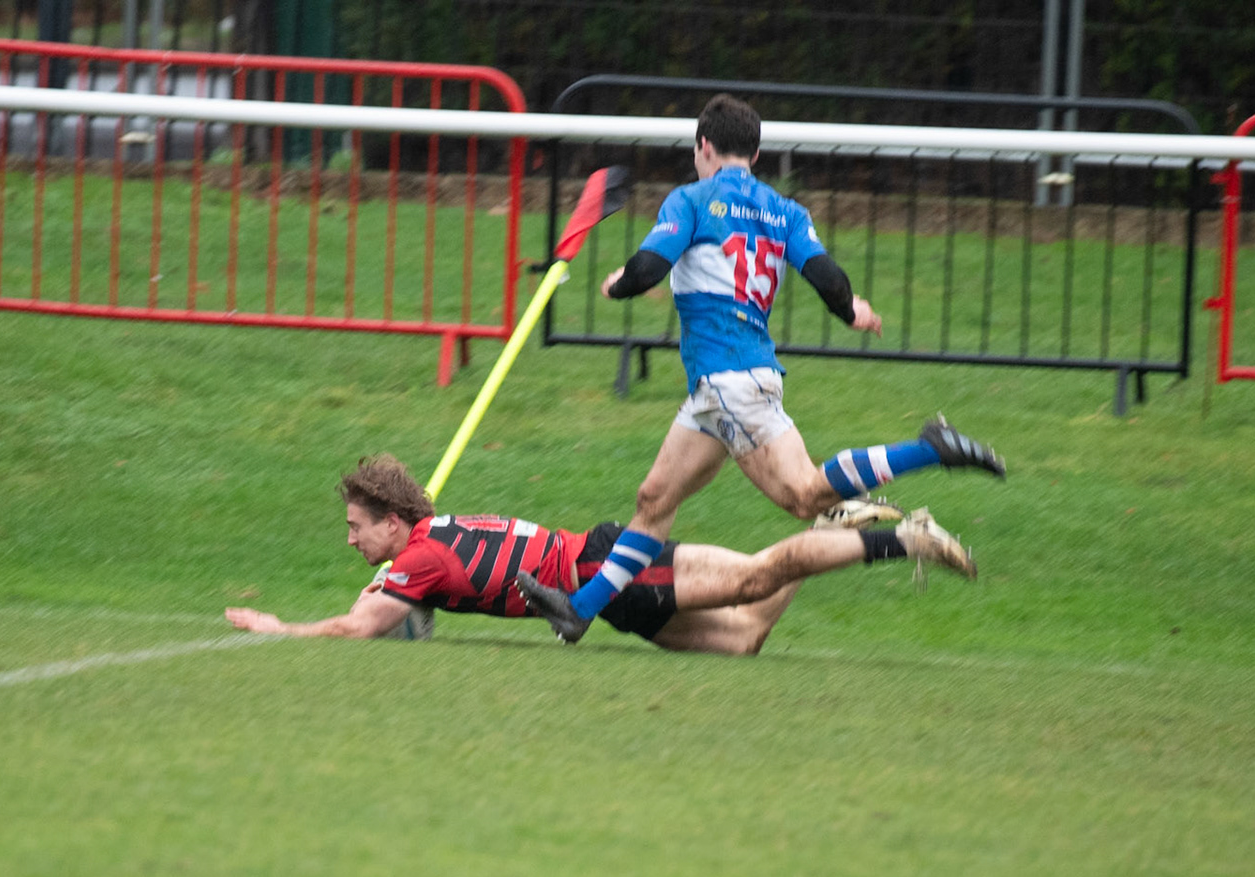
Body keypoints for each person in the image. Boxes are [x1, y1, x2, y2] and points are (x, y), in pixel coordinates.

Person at [515, 93, 1007, 644]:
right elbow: (826, 275)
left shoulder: (691, 200)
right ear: (756, 151)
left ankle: (929, 448)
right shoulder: (785, 210)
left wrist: (617, 283)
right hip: (723, 388)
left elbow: (649, 267)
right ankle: (578, 610)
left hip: (729, 383)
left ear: (703, 146)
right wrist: (854, 311)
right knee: (654, 501)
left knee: (804, 495)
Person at [224, 455, 976, 657]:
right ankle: (830, 533)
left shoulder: (412, 563)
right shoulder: (428, 538)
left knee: (755, 577)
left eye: (359, 526)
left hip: (610, 575)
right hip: (606, 581)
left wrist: (278, 629)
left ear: (394, 521)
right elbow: (389, 610)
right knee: (746, 635)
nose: (350, 539)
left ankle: (904, 538)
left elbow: (360, 628)